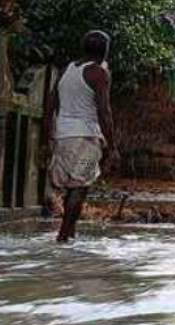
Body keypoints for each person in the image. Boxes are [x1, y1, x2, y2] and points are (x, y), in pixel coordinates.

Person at [44, 31, 119, 243]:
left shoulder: (68, 70)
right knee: (80, 188)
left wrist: (46, 137)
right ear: (105, 51)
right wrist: (112, 145)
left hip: (63, 136)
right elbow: (105, 111)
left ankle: (70, 234)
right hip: (85, 138)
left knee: (72, 188)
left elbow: (51, 105)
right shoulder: (99, 74)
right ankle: (63, 237)